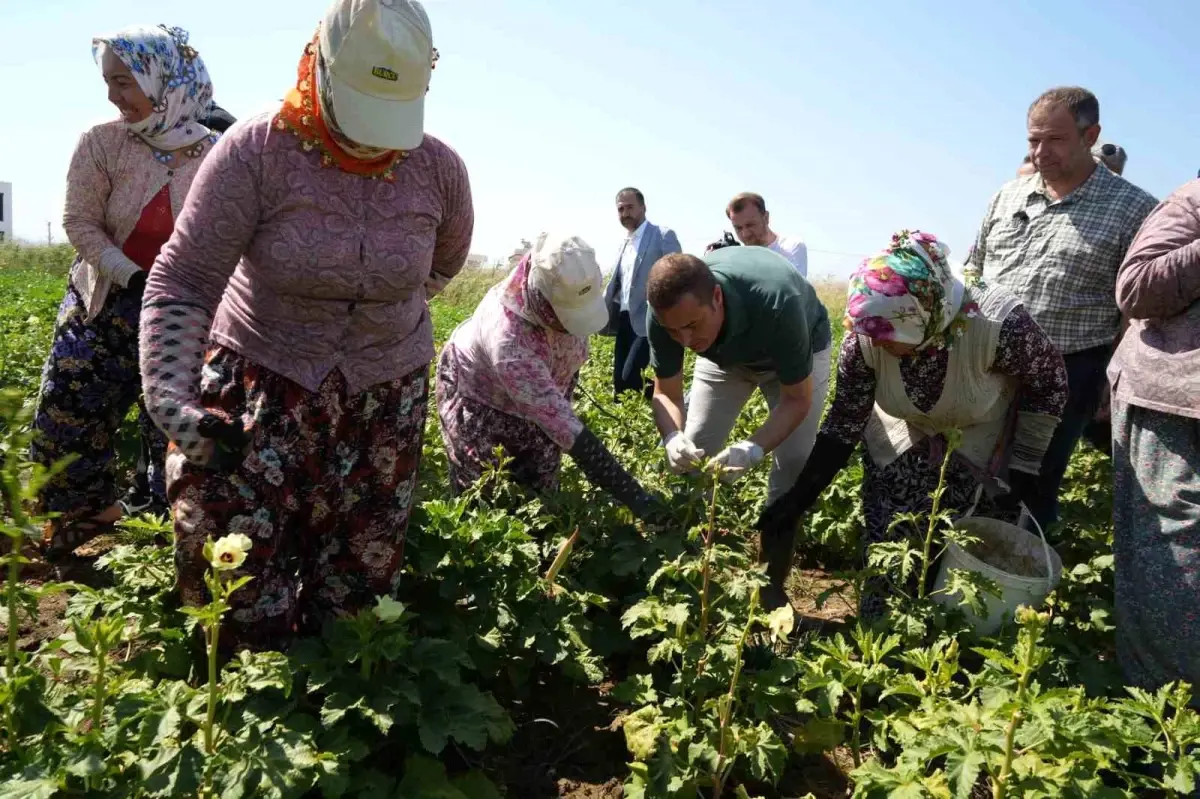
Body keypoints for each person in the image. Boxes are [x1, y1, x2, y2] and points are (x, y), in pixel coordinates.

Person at [139, 0, 473, 651]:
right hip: (263, 377)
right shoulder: (257, 150)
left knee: (358, 589)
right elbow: (185, 277)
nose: (373, 138)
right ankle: (251, 703)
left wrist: (379, 313)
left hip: (383, 393)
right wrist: (171, 398)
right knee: (235, 578)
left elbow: (444, 263)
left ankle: (335, 702)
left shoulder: (439, 170)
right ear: (318, 64)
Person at [759, 231, 1068, 619]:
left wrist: (1025, 466)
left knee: (966, 550)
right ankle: (882, 634)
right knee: (892, 542)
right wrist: (798, 499)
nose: (881, 345)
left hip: (979, 437)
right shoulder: (867, 334)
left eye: (893, 337)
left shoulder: (999, 324)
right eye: (873, 336)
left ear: (928, 315)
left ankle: (953, 644)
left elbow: (1049, 384)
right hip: (901, 432)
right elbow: (844, 421)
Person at [29, 25, 218, 558]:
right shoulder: (102, 141)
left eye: (124, 82)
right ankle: (87, 513)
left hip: (182, 313)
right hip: (104, 301)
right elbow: (80, 222)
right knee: (66, 409)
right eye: (108, 83)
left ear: (166, 80)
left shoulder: (217, 156)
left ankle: (161, 539)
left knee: (174, 426)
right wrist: (131, 275)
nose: (113, 96)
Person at [967, 86, 1156, 532]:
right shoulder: (1007, 197)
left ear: (1091, 135)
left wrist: (1113, 382)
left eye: (1054, 139)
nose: (1040, 151)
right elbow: (973, 270)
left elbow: (1138, 311)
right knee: (966, 471)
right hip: (986, 362)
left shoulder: (1135, 209)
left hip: (1067, 371)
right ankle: (960, 577)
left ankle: (1022, 587)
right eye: (1033, 140)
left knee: (1032, 485)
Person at [645, 242, 832, 609]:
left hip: (794, 357)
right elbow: (666, 392)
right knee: (694, 451)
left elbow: (796, 400)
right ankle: (687, 580)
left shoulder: (777, 301)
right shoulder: (667, 314)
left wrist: (753, 447)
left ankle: (771, 591)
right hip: (723, 359)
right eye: (673, 332)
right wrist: (671, 436)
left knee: (793, 464)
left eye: (691, 326)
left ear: (716, 296)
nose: (685, 342)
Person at [437, 232, 666, 522]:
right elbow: (562, 426)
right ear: (544, 302)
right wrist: (633, 495)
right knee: (483, 492)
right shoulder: (508, 339)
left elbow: (560, 398)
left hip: (535, 396)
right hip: (478, 396)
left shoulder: (571, 289)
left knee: (541, 488)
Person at [1107, 178, 1200, 705]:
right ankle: (1166, 711)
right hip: (1173, 404)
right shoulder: (1191, 202)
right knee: (1175, 551)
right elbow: (1137, 287)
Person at [603, 188, 681, 400]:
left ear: (643, 208)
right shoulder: (624, 244)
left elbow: (678, 277)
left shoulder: (663, 235)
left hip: (651, 320)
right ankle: (632, 430)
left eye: (630, 207)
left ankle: (665, 415)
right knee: (620, 384)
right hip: (625, 320)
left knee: (632, 379)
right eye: (621, 209)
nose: (625, 213)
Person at [726, 192, 808, 277]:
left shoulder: (791, 247)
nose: (745, 234)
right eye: (738, 228)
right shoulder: (737, 258)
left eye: (750, 225)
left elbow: (792, 287)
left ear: (766, 218)